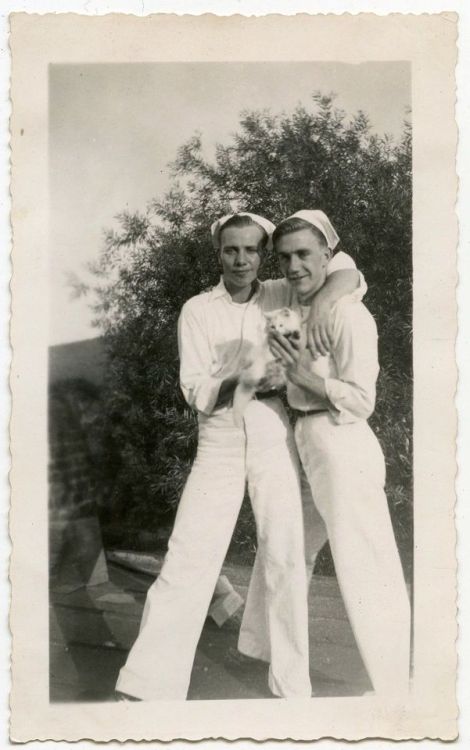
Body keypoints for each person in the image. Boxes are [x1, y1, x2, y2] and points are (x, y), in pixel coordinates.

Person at [116, 212, 362, 701]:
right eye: (232, 250)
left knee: (285, 554)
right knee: (189, 555)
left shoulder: (281, 292)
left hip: (273, 431)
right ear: (219, 253)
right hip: (221, 437)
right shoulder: (197, 310)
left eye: (252, 249)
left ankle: (291, 685)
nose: (242, 259)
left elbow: (349, 270)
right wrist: (247, 377)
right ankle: (148, 685)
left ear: (263, 254)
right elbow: (195, 389)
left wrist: (323, 302)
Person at [265, 210, 411, 698]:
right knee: (287, 549)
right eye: (285, 257)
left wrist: (306, 379)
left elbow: (362, 400)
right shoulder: (292, 302)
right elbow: (344, 269)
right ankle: (281, 673)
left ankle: (394, 690)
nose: (294, 266)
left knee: (364, 561)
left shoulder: (349, 314)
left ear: (327, 255)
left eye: (304, 255)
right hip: (303, 441)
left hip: (342, 442)